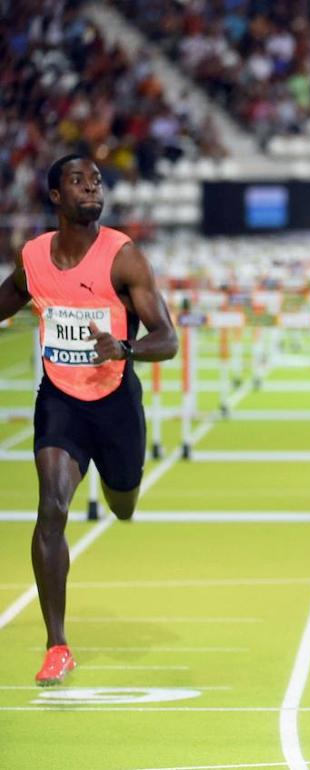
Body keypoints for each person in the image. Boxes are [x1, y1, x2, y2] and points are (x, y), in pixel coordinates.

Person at [0, 154, 178, 685]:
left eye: (96, 180)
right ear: (56, 196)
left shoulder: (123, 258)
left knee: (122, 501)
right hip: (60, 399)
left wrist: (123, 349)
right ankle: (58, 645)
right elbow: (7, 298)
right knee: (50, 508)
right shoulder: (34, 257)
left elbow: (167, 339)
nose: (91, 186)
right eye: (78, 180)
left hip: (115, 401)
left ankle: (123, 489)